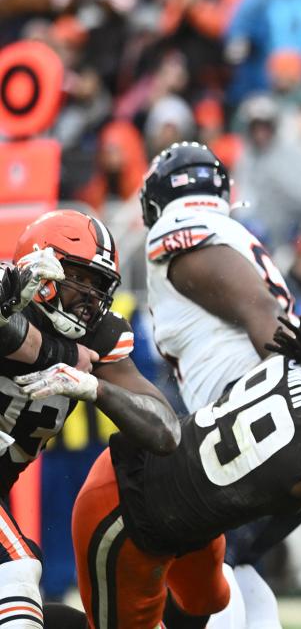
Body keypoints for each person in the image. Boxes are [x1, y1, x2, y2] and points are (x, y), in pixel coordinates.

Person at [70, 311, 301, 629]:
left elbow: (281, 457)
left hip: (189, 518)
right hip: (129, 515)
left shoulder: (297, 361)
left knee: (210, 603)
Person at [140, 141, 301, 628]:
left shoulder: (177, 228)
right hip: (279, 423)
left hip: (244, 423)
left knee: (202, 579)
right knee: (241, 575)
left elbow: (262, 317)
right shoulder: (234, 234)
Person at [0, 210, 180, 628]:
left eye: (100, 285)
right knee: (18, 569)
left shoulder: (99, 338)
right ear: (42, 270)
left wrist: (97, 389)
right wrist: (57, 355)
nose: (92, 297)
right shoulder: (7, 290)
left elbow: (165, 430)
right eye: (82, 279)